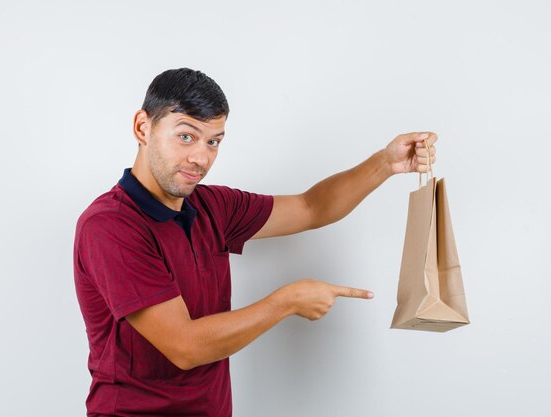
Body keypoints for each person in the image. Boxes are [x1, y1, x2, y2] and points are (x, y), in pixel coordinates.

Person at [73, 67, 437, 417]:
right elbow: (185, 346)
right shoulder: (110, 226)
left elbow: (312, 207)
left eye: (213, 141)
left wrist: (385, 163)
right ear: (143, 127)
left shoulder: (212, 206)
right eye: (186, 136)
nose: (201, 157)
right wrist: (286, 301)